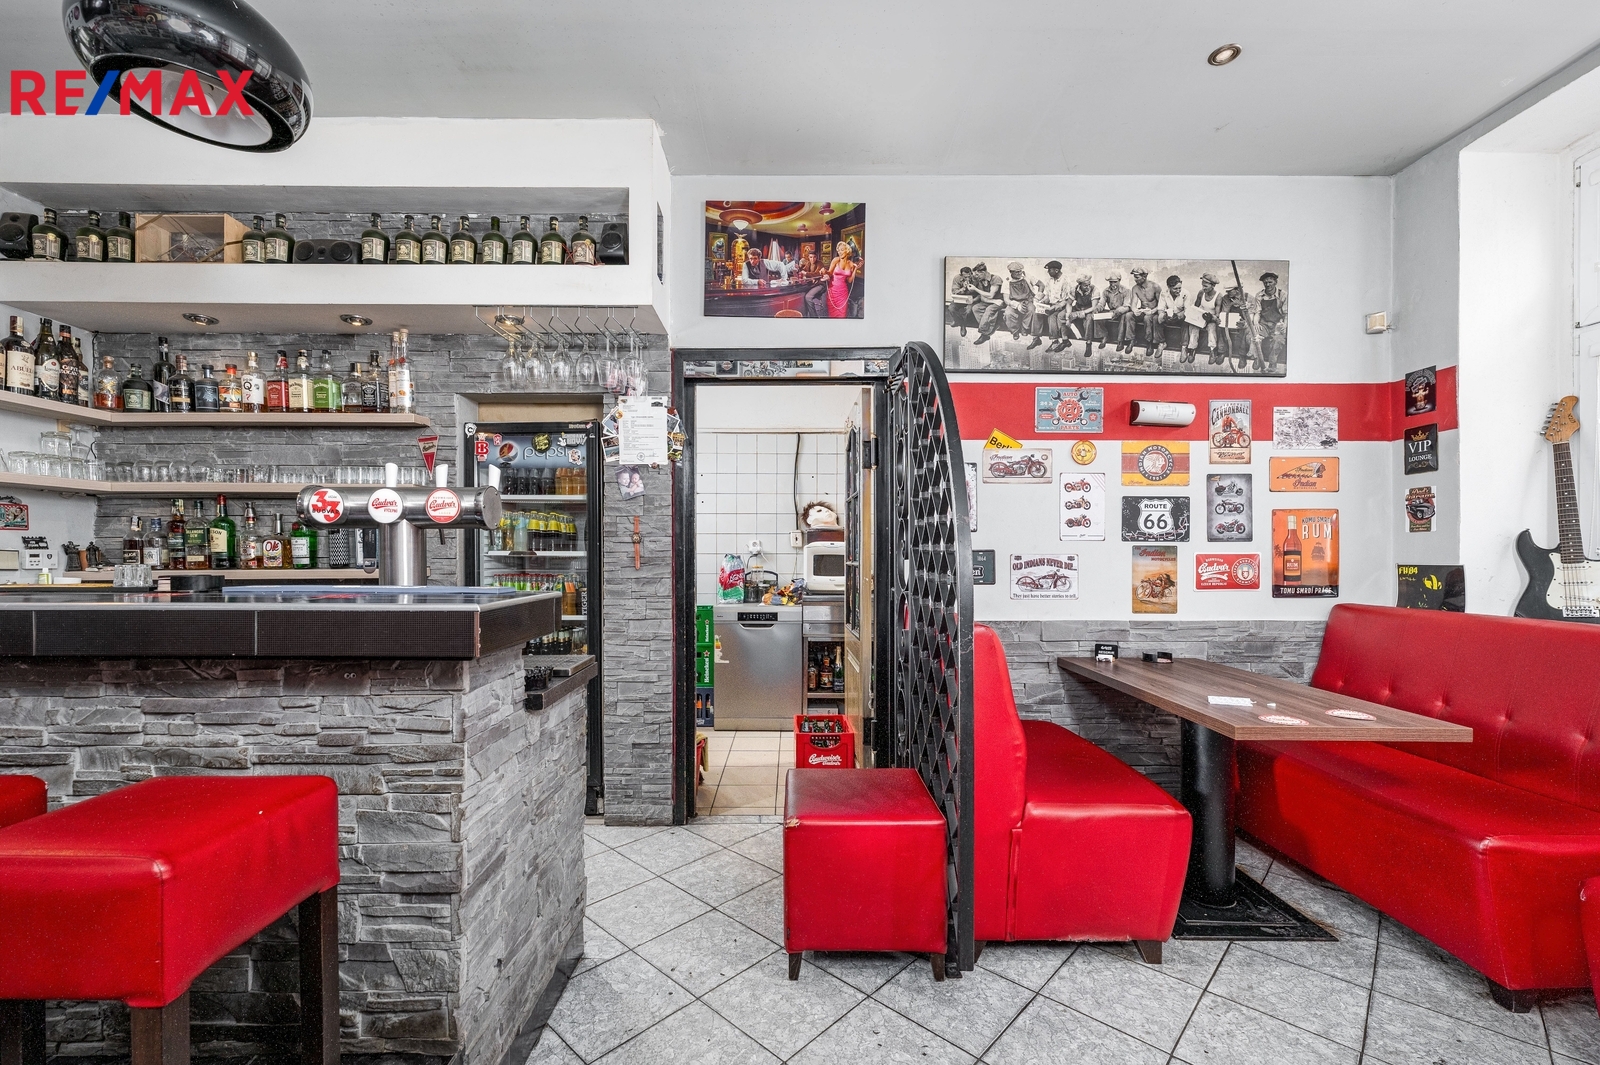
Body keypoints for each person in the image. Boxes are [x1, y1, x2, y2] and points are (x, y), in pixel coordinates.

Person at [1032, 261, 1069, 352]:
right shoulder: (1050, 281)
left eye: (1049, 270)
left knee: (1052, 317)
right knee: (1037, 313)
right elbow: (1048, 295)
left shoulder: (1065, 281)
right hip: (1051, 305)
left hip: (1062, 306)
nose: (1048, 272)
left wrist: (1056, 306)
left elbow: (1067, 300)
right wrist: (1041, 302)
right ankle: (1037, 338)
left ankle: (1055, 341)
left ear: (1056, 270)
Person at [1157, 274, 1197, 360]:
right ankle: (1161, 342)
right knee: (1156, 318)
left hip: (1180, 316)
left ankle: (1184, 347)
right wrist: (1164, 315)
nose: (1178, 290)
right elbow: (1160, 308)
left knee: (1186, 321)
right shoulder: (1164, 293)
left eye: (1179, 288)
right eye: (1175, 289)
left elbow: (1187, 310)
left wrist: (1179, 315)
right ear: (1169, 287)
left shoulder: (1186, 293)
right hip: (1169, 316)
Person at [1124, 267, 1161, 356]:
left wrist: (1152, 311)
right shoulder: (1135, 288)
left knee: (1147, 318)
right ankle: (1131, 340)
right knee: (1129, 315)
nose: (1135, 279)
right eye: (1134, 277)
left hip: (1154, 312)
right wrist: (1135, 310)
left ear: (1144, 277)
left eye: (1137, 277)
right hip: (1143, 310)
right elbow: (1133, 303)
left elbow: (1161, 304)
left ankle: (1149, 343)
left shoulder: (1155, 287)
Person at [1001, 261, 1035, 355]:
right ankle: (1014, 331)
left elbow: (1040, 284)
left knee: (1031, 310)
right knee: (1008, 313)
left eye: (1020, 271)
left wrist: (1039, 293)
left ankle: (1025, 328)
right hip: (1013, 302)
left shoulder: (1027, 276)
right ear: (1011, 272)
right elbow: (1006, 299)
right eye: (1017, 272)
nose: (1020, 273)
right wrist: (1017, 305)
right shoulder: (1007, 281)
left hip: (1027, 300)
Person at [1255, 271, 1287, 370]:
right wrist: (1256, 323)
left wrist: (1285, 325)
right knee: (1255, 336)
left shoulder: (1282, 294)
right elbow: (1257, 312)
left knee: (1278, 340)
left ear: (1275, 282)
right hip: (1264, 323)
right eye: (1265, 282)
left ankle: (1272, 362)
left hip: (1278, 324)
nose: (1267, 285)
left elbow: (1286, 313)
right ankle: (1257, 358)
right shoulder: (1259, 295)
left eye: (1270, 282)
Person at [965, 262, 1004, 344]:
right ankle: (990, 328)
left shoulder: (995, 278)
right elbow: (982, 297)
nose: (976, 276)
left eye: (977, 274)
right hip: (992, 301)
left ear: (983, 272)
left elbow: (990, 295)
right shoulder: (980, 281)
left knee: (989, 310)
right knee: (976, 308)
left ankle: (984, 334)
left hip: (1000, 302)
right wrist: (993, 301)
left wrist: (975, 289)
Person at [1060, 274, 1096, 357]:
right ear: (1080, 285)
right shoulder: (1074, 289)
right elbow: (1069, 304)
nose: (1088, 287)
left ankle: (1088, 343)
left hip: (1088, 310)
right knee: (1062, 315)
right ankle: (1065, 339)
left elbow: (1094, 307)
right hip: (1078, 307)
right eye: (1085, 285)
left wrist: (1081, 313)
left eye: (1089, 284)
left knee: (1089, 319)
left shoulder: (1094, 290)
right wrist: (1068, 316)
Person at [826, 240, 862, 318]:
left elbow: (849, 280)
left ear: (847, 250)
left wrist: (855, 269)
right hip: (833, 292)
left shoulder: (851, 264)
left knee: (842, 315)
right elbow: (829, 273)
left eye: (842, 250)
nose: (840, 252)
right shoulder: (836, 260)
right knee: (832, 316)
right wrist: (824, 272)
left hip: (843, 293)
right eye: (838, 250)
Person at [1193, 272, 1224, 363]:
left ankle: (1212, 350)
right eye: (1202, 285)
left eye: (1205, 286)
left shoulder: (1218, 296)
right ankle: (1192, 348)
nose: (1203, 288)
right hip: (1201, 317)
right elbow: (1195, 306)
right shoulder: (1201, 293)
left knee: (1211, 328)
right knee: (1193, 327)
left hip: (1211, 319)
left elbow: (1217, 314)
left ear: (1212, 286)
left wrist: (1211, 317)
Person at [1096, 271, 1129, 352]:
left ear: (1119, 281)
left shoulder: (1126, 291)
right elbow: (1102, 303)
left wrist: (1118, 311)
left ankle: (1120, 341)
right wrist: (1098, 308)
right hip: (1111, 312)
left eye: (1115, 282)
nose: (1112, 284)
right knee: (1097, 316)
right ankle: (1104, 336)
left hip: (1122, 312)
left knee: (1123, 317)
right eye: (1111, 282)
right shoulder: (1106, 291)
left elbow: (1127, 306)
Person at [949, 265, 976, 336]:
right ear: (961, 275)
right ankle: (959, 322)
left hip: (971, 298)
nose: (967, 278)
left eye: (969, 276)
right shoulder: (957, 278)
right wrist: (963, 288)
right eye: (965, 277)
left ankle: (962, 325)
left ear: (971, 274)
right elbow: (954, 291)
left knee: (968, 311)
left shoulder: (976, 278)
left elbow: (979, 292)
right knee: (951, 308)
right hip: (960, 298)